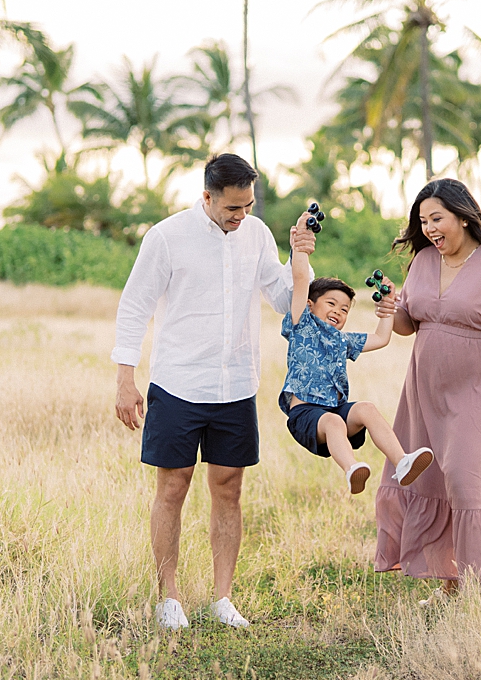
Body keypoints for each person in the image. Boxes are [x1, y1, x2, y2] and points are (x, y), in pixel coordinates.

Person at [111, 153, 311, 632]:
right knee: (173, 486)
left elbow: (287, 303)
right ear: (207, 197)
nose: (241, 216)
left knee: (229, 489)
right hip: (178, 383)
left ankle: (223, 599)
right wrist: (124, 379)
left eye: (248, 206)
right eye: (232, 208)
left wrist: (299, 256)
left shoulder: (257, 235)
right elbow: (134, 306)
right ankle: (169, 598)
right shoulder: (165, 237)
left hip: (235, 385)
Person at [374, 178, 481, 596]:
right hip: (424, 393)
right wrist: (390, 308)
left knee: (468, 483)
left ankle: (475, 590)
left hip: (479, 393)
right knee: (432, 482)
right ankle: (449, 582)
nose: (430, 228)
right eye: (423, 221)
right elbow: (409, 325)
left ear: (463, 217)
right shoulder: (423, 263)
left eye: (437, 218)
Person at [279, 210, 435, 494]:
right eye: (331, 304)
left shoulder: (342, 341)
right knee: (333, 422)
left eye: (344, 309)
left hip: (336, 410)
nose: (338, 312)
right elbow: (301, 277)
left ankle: (402, 462)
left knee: (366, 409)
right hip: (306, 414)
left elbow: (381, 337)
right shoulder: (302, 323)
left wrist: (388, 302)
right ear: (311, 305)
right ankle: (352, 468)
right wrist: (301, 242)